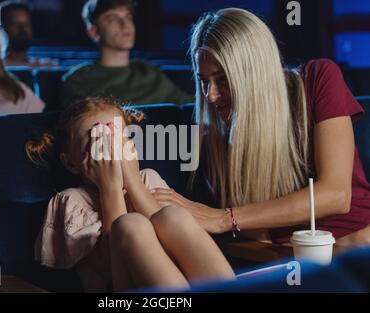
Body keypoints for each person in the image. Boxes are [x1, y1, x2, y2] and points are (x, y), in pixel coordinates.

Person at [150, 8, 370, 247]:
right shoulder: (214, 139)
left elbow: (336, 195)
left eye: (222, 79)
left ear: (255, 72)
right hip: (293, 262)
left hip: (359, 241)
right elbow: (261, 244)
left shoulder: (318, 79)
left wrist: (226, 218)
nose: (210, 95)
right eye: (204, 81)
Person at [27, 97, 234, 292]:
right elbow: (107, 267)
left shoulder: (147, 179)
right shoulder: (71, 201)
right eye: (96, 145)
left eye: (117, 143)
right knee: (130, 224)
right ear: (71, 163)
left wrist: (133, 182)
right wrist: (111, 188)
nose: (111, 154)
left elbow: (170, 244)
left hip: (183, 280)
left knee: (172, 216)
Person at [59, 0, 193, 108]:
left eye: (128, 16)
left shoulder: (149, 72)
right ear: (94, 32)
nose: (125, 24)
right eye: (112, 18)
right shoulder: (79, 80)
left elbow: (191, 105)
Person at [0, 1, 58, 68]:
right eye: (15, 24)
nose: (23, 29)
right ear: (3, 28)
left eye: (26, 24)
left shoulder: (46, 66)